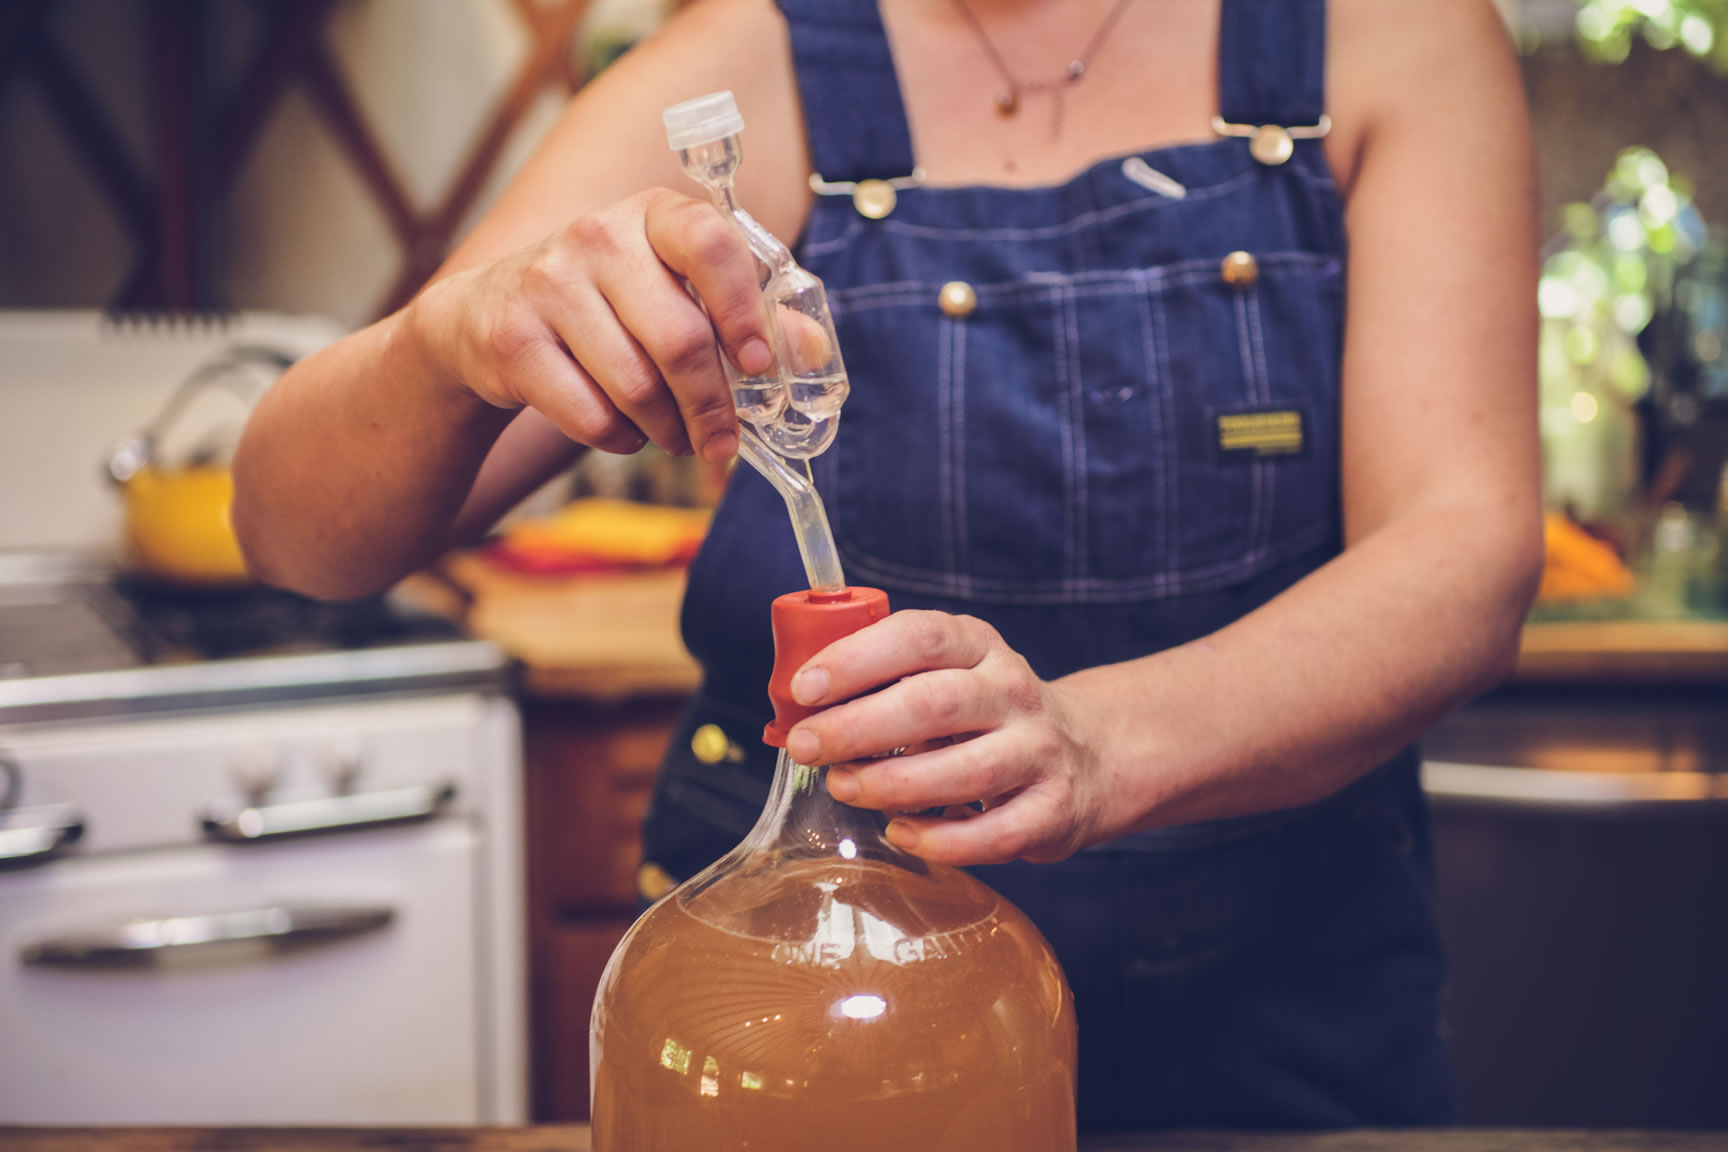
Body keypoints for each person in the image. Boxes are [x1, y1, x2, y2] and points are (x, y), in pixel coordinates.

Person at [232, 0, 1542, 1131]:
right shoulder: (743, 69)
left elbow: (1464, 548)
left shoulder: (1384, 34)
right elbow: (298, 541)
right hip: (802, 1022)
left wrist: (1094, 740)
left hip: (1281, 1020)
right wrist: (441, 346)